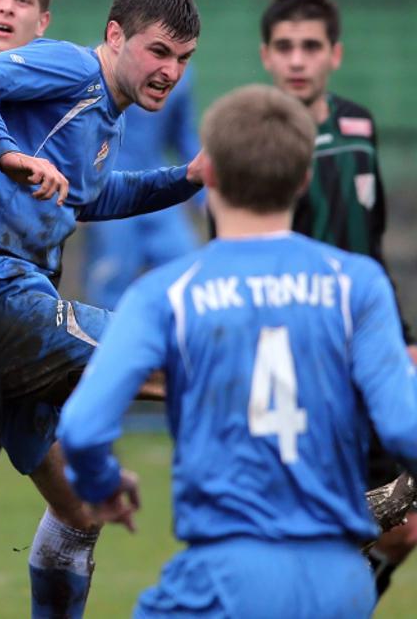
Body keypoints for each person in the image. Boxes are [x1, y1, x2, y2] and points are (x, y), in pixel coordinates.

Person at [58, 83, 417, 617]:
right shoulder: (358, 283)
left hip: (220, 582)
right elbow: (405, 428)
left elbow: (83, 428)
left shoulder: (165, 293)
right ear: (303, 179)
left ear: (212, 175)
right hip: (339, 583)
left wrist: (103, 484)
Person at [0, 0, 204, 617]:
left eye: (182, 58)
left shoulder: (105, 117)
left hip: (16, 312)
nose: (170, 70)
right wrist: (8, 155)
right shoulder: (72, 68)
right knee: (172, 356)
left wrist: (189, 177)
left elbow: (95, 197)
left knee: (80, 509)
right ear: (115, 35)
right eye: (158, 50)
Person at [258, 0, 417, 597]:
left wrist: (401, 339)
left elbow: (370, 248)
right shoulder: (252, 142)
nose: (298, 60)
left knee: (402, 525)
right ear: (266, 55)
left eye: (311, 47)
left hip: (368, 361)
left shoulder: (358, 127)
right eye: (286, 47)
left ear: (336, 55)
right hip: (298, 372)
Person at [83, 69, 202, 309]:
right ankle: (106, 343)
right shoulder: (97, 70)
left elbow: (183, 136)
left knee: (187, 267)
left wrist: (206, 196)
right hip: (110, 188)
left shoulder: (179, 77)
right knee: (113, 275)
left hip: (158, 187)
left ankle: (174, 341)